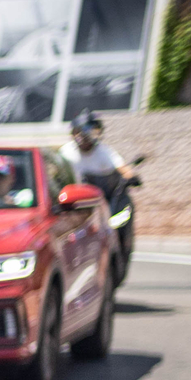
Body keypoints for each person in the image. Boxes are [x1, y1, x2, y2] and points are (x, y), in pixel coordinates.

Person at [70, 111, 137, 275]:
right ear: (75, 134)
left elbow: (121, 167)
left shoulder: (104, 152)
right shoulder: (67, 154)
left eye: (92, 132)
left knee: (124, 216)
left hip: (108, 201)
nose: (86, 138)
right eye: (83, 132)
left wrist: (131, 177)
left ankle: (121, 257)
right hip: (79, 205)